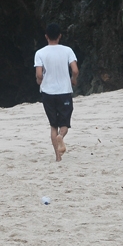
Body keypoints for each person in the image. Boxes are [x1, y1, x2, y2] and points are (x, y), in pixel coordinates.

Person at [34, 23, 78, 162]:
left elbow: (39, 74)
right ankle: (61, 136)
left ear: (46, 36)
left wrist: (39, 82)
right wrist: (73, 80)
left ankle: (58, 157)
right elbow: (75, 70)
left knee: (53, 125)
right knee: (64, 123)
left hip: (48, 93)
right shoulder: (67, 50)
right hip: (64, 91)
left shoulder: (40, 53)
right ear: (60, 36)